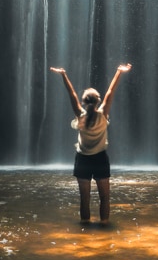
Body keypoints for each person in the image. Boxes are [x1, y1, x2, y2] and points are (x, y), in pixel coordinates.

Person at [50, 63, 132, 225]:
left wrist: (64, 75)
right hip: (100, 159)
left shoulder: (80, 116)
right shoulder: (103, 115)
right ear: (98, 101)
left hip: (83, 160)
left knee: (84, 199)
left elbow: (71, 94)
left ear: (84, 102)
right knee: (105, 198)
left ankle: (85, 229)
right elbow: (111, 92)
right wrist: (119, 72)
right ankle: (104, 226)